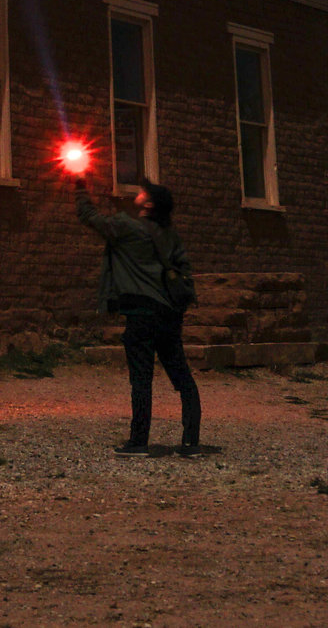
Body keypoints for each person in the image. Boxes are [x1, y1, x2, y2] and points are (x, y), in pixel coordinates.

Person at [74, 172, 201, 456]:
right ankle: (191, 441)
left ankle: (138, 441)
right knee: (181, 376)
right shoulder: (170, 236)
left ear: (150, 205)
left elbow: (89, 216)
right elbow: (184, 270)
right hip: (168, 314)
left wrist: (80, 183)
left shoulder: (126, 227)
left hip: (141, 313)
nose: (139, 193)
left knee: (141, 378)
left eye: (145, 193)